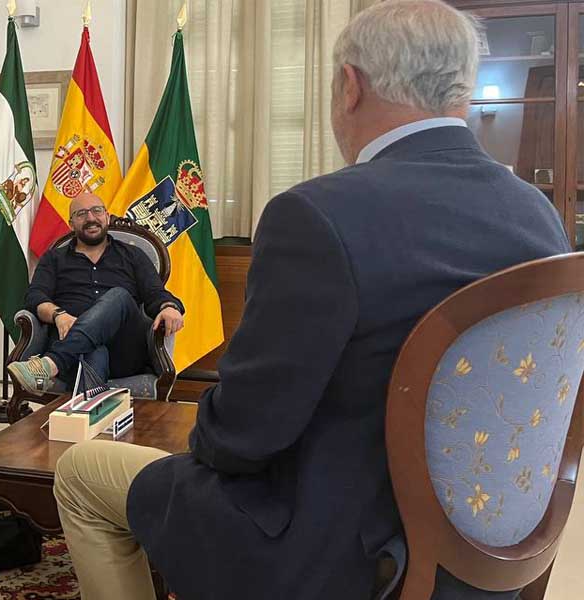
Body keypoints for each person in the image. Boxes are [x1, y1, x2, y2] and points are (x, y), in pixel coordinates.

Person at [51, 2, 572, 599]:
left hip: (334, 558)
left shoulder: (319, 216)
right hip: (487, 551)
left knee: (81, 474)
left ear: (349, 86)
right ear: (462, 87)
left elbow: (240, 439)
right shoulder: (537, 214)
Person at [6, 191, 184, 391]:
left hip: (123, 351)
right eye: (81, 214)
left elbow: (155, 293)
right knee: (93, 350)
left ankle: (50, 363)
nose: (90, 218)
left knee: (120, 296)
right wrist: (58, 315)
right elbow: (34, 297)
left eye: (96, 211)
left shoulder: (133, 255)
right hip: (74, 347)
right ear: (71, 223)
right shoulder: (54, 259)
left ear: (106, 216)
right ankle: (86, 418)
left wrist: (169, 307)